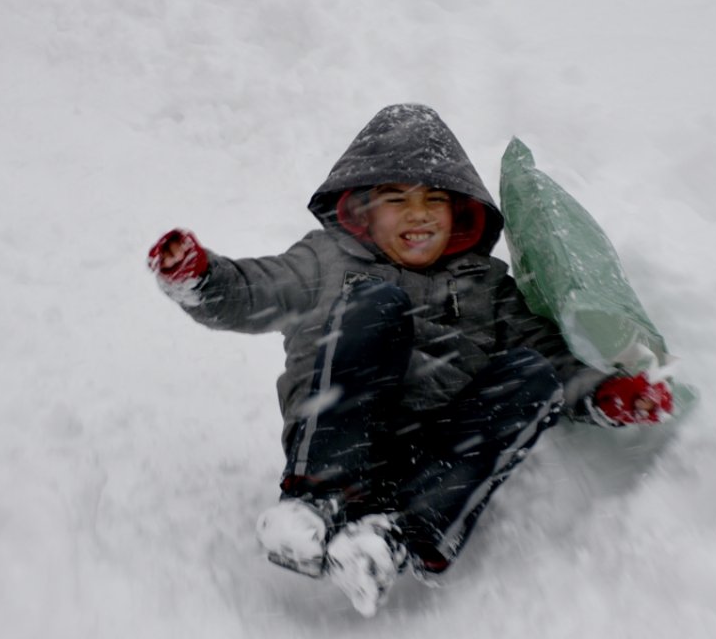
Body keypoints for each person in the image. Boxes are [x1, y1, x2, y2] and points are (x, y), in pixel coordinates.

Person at [147, 104, 675, 617]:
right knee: (376, 303)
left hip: (435, 456)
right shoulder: (326, 260)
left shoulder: (486, 286)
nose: (417, 213)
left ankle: (391, 537)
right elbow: (254, 291)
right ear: (362, 211)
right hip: (342, 437)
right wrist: (201, 278)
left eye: (434, 200)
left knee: (532, 375)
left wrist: (607, 393)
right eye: (396, 198)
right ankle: (317, 502)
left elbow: (549, 359)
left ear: (458, 212)